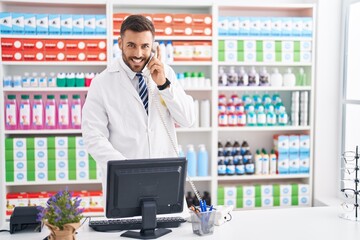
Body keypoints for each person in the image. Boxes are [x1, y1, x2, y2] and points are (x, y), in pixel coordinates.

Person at [81, 15, 195, 199]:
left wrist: (164, 85)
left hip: (164, 177)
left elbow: (188, 120)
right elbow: (93, 136)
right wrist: (127, 170)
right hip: (124, 181)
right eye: (131, 45)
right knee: (126, 226)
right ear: (120, 43)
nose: (138, 54)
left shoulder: (166, 73)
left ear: (154, 47)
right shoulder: (102, 83)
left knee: (169, 226)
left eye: (145, 46)